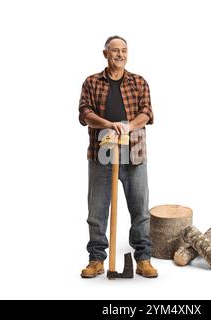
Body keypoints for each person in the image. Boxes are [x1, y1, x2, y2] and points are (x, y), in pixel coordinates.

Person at [78, 36, 158, 278]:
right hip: (102, 153)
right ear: (105, 54)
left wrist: (128, 126)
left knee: (140, 210)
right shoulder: (91, 82)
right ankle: (96, 259)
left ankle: (143, 258)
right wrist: (109, 125)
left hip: (134, 152)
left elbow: (147, 112)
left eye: (124, 50)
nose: (120, 55)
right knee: (97, 212)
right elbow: (85, 113)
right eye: (115, 51)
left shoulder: (138, 82)